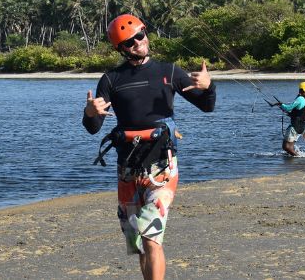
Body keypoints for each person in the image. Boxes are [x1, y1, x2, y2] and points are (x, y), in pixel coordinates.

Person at [83, 14, 215, 280]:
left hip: (162, 168)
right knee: (139, 243)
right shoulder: (111, 80)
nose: (137, 43)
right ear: (120, 48)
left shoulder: (169, 71)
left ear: (146, 33)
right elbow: (93, 127)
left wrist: (209, 87)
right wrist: (89, 112)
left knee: (151, 237)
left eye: (140, 35)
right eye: (129, 42)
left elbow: (207, 106)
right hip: (128, 171)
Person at [279, 81, 305, 157]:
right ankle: (294, 161)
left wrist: (281, 104)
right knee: (291, 147)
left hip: (294, 127)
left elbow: (288, 108)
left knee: (286, 147)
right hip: (301, 128)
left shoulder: (300, 99)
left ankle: (299, 157)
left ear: (301, 90)